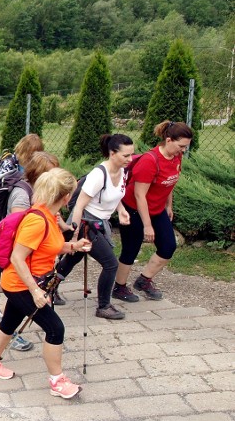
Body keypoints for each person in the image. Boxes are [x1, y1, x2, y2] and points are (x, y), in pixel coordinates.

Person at [0, 168, 92, 400]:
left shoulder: (50, 216)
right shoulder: (37, 221)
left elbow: (51, 246)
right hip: (21, 285)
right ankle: (57, 381)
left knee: (10, 321)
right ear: (66, 197)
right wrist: (35, 291)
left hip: (26, 283)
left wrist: (74, 246)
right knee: (55, 329)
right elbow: (17, 258)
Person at [57, 134, 134, 320]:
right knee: (111, 264)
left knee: (72, 259)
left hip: (100, 223)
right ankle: (103, 306)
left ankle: (48, 288)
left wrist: (121, 210)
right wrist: (74, 236)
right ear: (112, 153)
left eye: (132, 155)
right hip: (87, 224)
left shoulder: (123, 171)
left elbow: (115, 196)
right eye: (126, 156)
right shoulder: (98, 175)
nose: (130, 159)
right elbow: (79, 206)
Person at [114, 121, 192, 302]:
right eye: (181, 146)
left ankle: (144, 280)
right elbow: (139, 195)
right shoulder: (150, 161)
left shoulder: (176, 157)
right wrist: (147, 226)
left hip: (157, 209)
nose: (183, 150)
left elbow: (170, 182)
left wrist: (168, 206)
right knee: (131, 249)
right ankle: (119, 287)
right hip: (133, 209)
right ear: (168, 140)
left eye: (186, 147)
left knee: (168, 247)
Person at [0, 134, 46, 293]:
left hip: (10, 204)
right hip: (1, 206)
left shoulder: (19, 162)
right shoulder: (10, 163)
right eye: (34, 153)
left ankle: (8, 274)